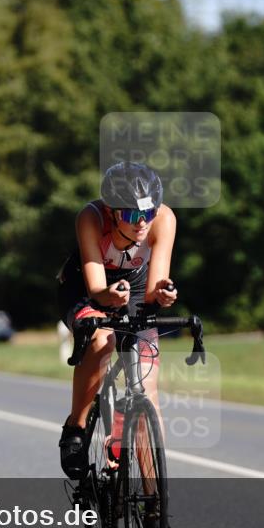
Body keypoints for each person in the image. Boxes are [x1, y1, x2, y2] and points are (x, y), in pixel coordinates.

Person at [55, 162, 178, 475]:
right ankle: (77, 428)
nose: (142, 224)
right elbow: (97, 288)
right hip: (86, 286)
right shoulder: (91, 218)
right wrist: (108, 297)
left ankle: (154, 513)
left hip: (134, 289)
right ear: (111, 211)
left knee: (146, 390)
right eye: (133, 216)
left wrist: (163, 294)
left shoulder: (164, 219)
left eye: (148, 214)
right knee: (102, 341)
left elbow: (153, 290)